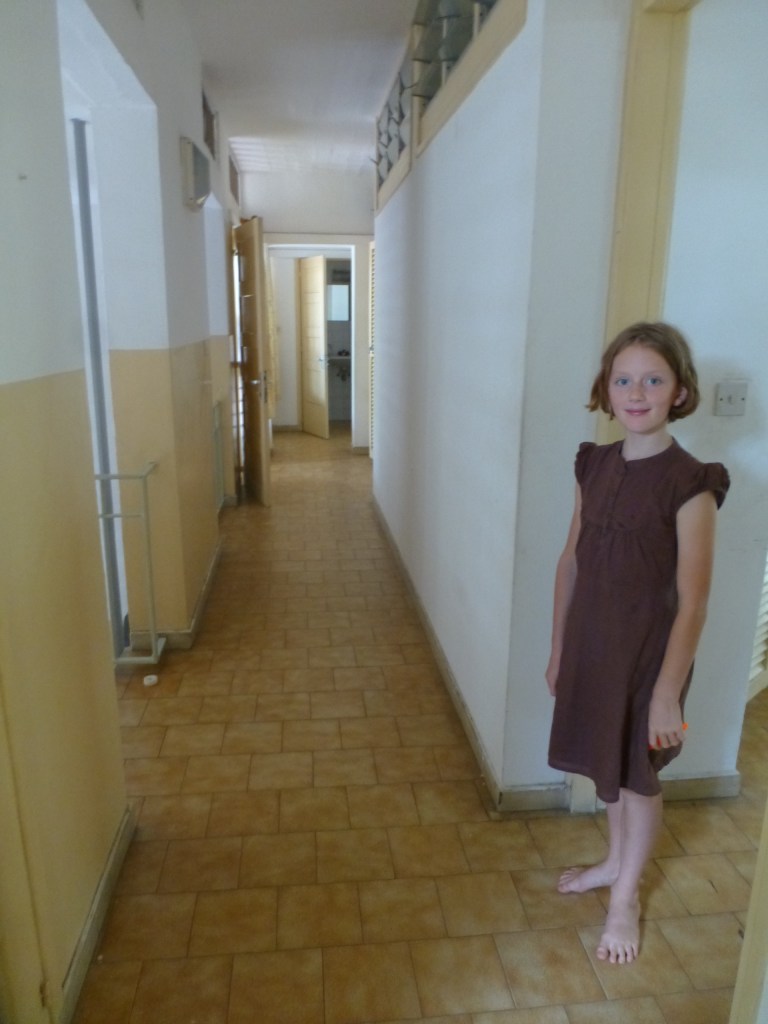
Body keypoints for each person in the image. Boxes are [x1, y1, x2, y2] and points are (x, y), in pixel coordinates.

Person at [545, 322, 729, 965]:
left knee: (641, 779)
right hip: (593, 651)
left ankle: (626, 898)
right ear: (606, 389)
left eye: (654, 379)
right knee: (611, 772)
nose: (637, 391)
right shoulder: (591, 463)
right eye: (623, 379)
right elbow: (569, 561)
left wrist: (666, 694)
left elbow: (695, 600)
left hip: (650, 663)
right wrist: (558, 649)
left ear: (679, 392)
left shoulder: (693, 483)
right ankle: (614, 863)